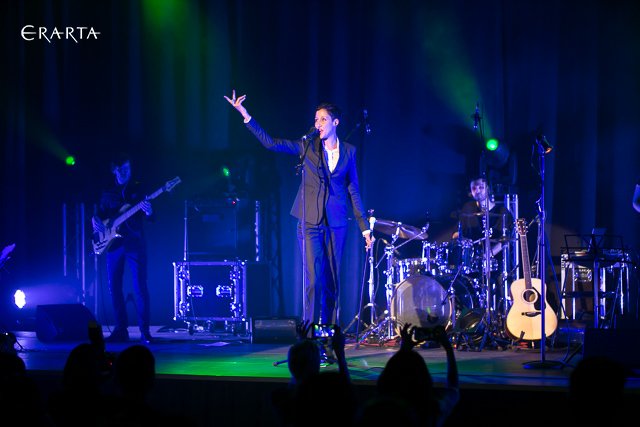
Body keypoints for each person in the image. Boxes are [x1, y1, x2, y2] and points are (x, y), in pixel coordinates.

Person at [224, 90, 373, 325]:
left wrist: (364, 228)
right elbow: (272, 143)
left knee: (332, 281)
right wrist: (245, 114)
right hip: (310, 221)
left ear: (335, 122)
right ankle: (310, 332)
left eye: (323, 119)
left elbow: (353, 189)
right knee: (314, 280)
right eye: (316, 119)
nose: (318, 124)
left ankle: (328, 333)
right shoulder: (308, 146)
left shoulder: (349, 151)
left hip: (336, 223)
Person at [92, 153, 154, 344]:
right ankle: (120, 330)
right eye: (120, 169)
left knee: (140, 286)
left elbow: (150, 217)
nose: (123, 172)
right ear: (114, 170)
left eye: (127, 168)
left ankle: (145, 331)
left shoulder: (139, 188)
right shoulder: (107, 192)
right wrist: (95, 220)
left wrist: (150, 212)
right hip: (113, 245)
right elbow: (99, 215)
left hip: (135, 242)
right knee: (114, 287)